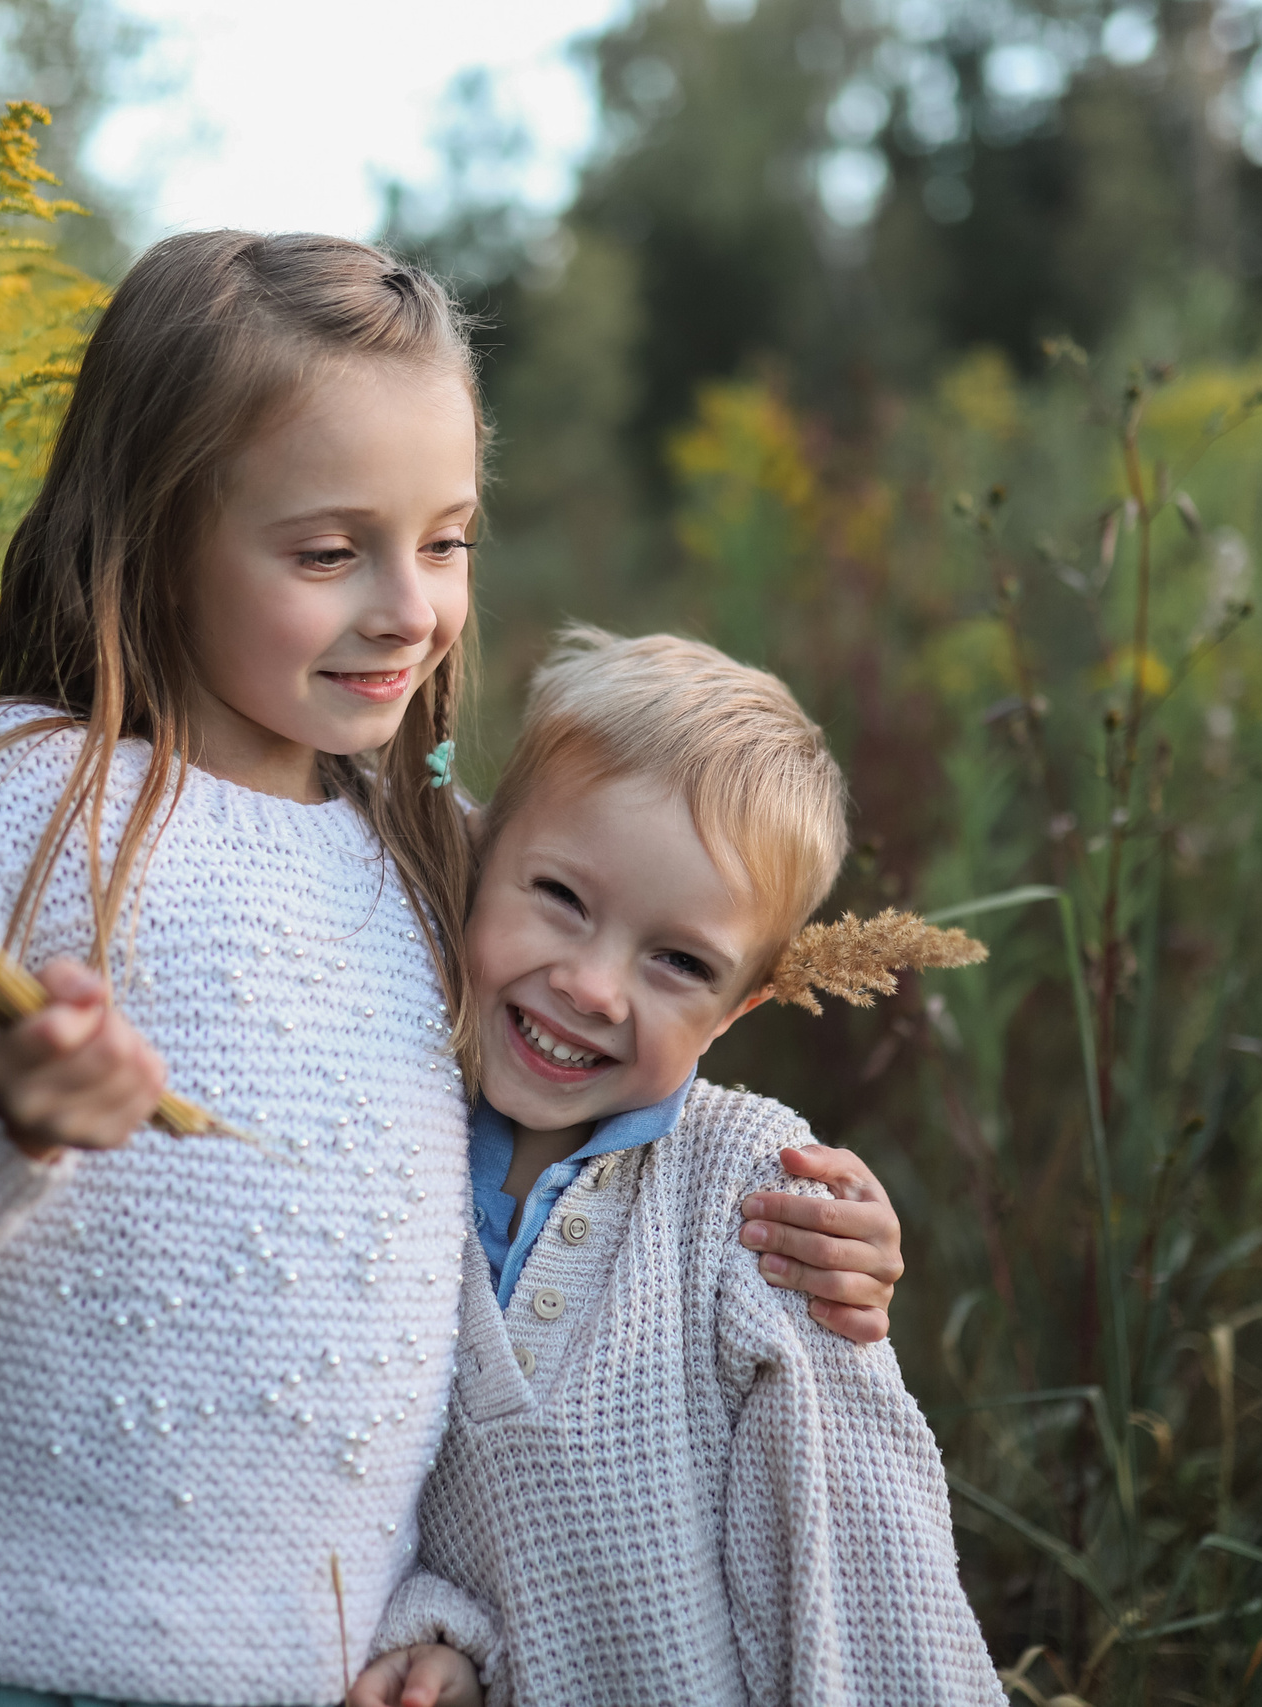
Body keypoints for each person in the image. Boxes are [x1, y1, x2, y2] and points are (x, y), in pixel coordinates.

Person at [0, 234, 899, 1707]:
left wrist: (801, 1223)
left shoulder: (427, 851)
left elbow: (496, 1239)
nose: (410, 606)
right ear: (152, 532)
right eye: (332, 551)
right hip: (6, 1654)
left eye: (448, 538)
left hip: (316, 1669)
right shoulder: (10, 797)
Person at [353, 630, 1003, 1707]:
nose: (596, 986)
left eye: (679, 962)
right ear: (474, 856)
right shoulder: (377, 1121)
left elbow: (864, 1541)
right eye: (559, 895)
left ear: (737, 1009)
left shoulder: (748, 1188)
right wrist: (440, 1635)